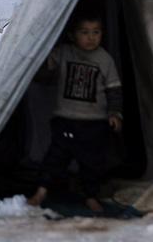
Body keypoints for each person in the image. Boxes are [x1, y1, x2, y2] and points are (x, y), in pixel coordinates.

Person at [28, 12, 123, 213]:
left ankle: (90, 195)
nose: (91, 37)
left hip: (94, 123)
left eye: (96, 32)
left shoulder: (104, 59)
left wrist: (115, 113)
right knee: (55, 158)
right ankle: (41, 191)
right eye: (85, 32)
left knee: (91, 163)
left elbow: (114, 89)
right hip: (65, 120)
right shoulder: (64, 53)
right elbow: (42, 74)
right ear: (72, 35)